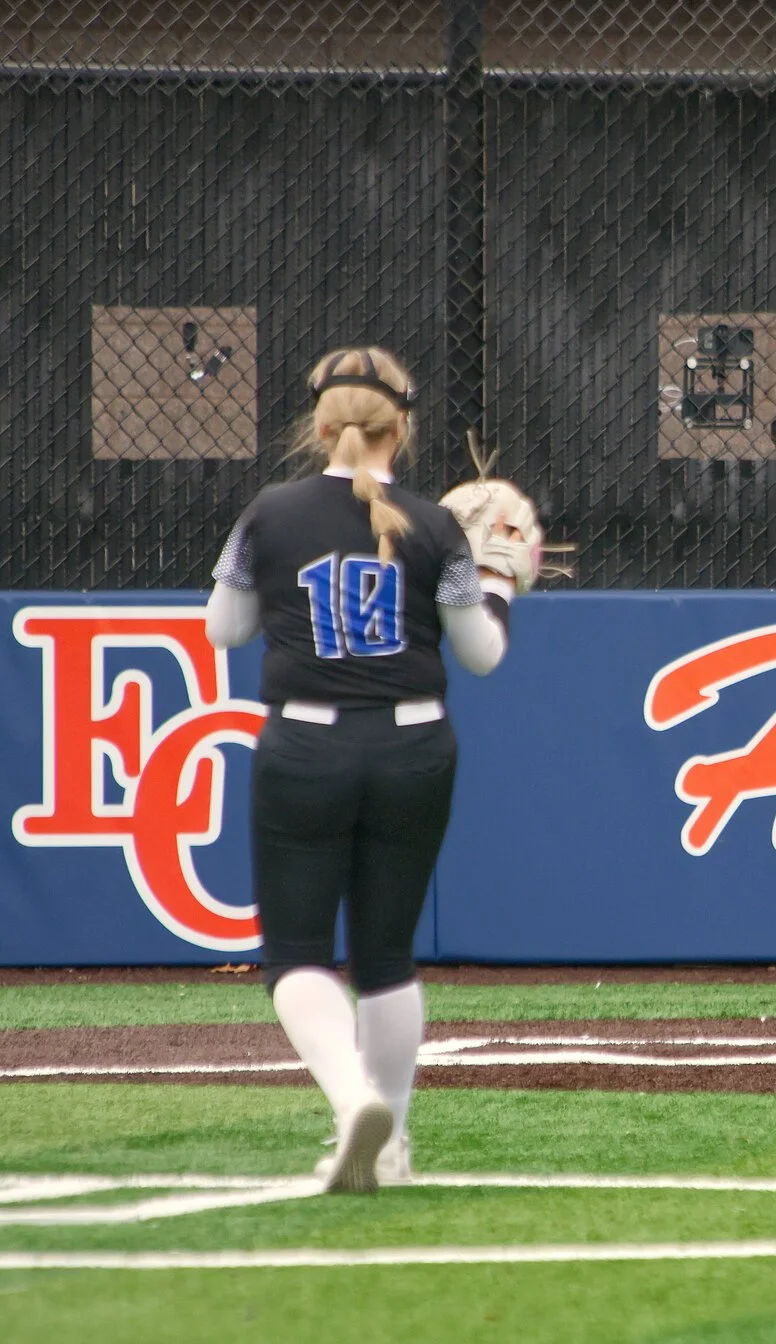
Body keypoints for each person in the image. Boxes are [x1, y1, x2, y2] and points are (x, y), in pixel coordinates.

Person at [204, 347, 542, 1192]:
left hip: (306, 747)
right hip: (413, 747)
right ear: (406, 429)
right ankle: (389, 1142)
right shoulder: (432, 525)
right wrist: (497, 578)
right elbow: (483, 655)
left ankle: (353, 1097)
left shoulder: (270, 514)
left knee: (296, 958)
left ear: (318, 426)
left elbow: (224, 629)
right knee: (387, 957)